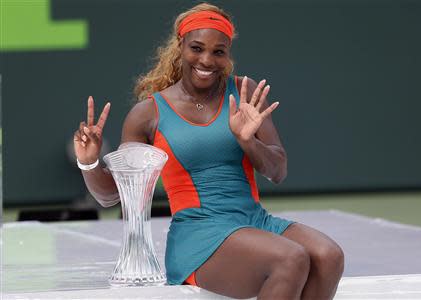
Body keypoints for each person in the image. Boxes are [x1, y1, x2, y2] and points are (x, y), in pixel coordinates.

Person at [73, 3, 344, 299]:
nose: (206, 59)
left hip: (255, 222)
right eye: (197, 48)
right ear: (180, 47)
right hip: (199, 236)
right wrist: (89, 162)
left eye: (218, 51)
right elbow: (113, 194)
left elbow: (278, 171)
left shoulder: (244, 92)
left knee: (329, 256)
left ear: (228, 54)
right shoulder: (148, 113)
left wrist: (248, 141)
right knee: (290, 259)